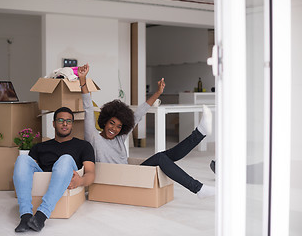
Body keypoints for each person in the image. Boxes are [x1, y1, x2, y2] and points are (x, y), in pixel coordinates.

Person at [78, 64, 214, 199]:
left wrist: (158, 93)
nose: (114, 129)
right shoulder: (93, 137)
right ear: (105, 121)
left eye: (119, 126)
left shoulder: (119, 138)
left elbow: (138, 114)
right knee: (160, 158)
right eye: (112, 123)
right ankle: (198, 188)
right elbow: (89, 109)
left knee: (166, 155)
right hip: (120, 180)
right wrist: (82, 81)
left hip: (131, 175)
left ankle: (199, 133)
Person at [13, 107, 95, 233]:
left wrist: (80, 181)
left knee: (66, 159)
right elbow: (24, 173)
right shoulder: (39, 147)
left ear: (72, 124)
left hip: (66, 176)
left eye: (69, 121)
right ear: (53, 123)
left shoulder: (83, 146)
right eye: (60, 120)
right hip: (44, 177)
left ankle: (41, 215)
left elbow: (91, 173)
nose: (65, 124)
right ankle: (26, 216)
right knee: (22, 159)